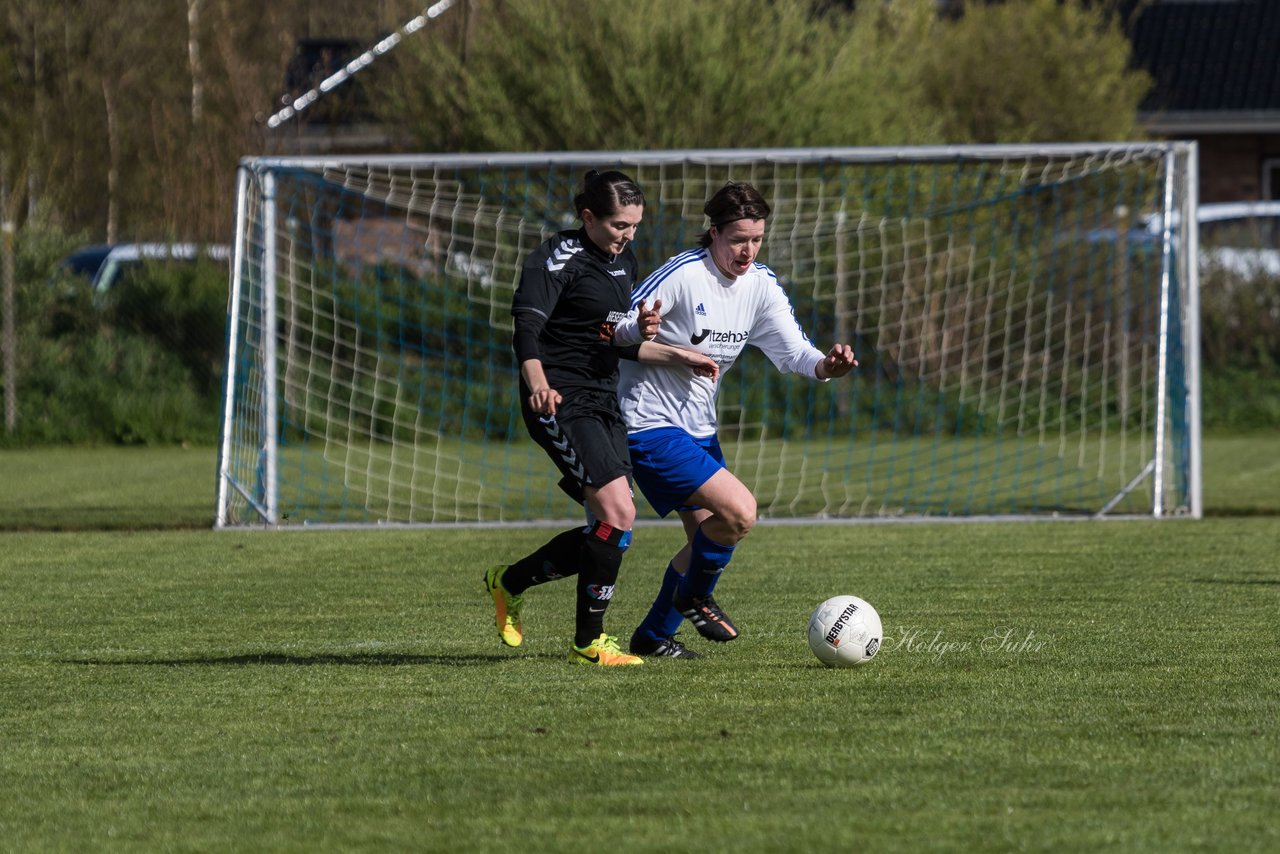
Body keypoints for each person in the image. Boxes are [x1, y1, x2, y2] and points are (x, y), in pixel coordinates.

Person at [612, 181, 858, 659]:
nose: (748, 250)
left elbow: (795, 353)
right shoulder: (684, 274)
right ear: (714, 233)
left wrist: (829, 366)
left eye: (757, 239)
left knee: (707, 537)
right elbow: (618, 323)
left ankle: (652, 637)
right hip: (647, 424)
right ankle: (693, 598)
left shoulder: (761, 286)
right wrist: (639, 328)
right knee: (741, 512)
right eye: (738, 239)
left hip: (699, 431)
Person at [484, 169, 717, 667]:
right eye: (618, 225)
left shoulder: (624, 261)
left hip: (604, 400)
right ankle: (590, 642)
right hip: (560, 401)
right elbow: (525, 329)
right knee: (618, 514)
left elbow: (619, 341)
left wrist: (678, 354)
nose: (628, 236)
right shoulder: (555, 259)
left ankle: (510, 582)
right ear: (587, 217)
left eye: (635, 226)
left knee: (610, 530)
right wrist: (539, 383)